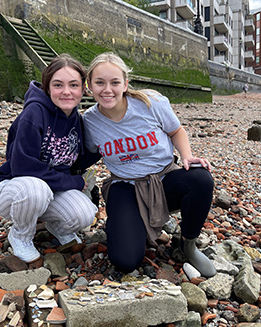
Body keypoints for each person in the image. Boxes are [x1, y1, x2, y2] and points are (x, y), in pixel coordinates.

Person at [82, 52, 216, 277]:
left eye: (115, 82)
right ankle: (134, 225)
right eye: (100, 83)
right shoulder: (89, 120)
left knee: (200, 178)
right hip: (125, 186)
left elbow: (176, 131)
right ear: (89, 86)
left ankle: (188, 244)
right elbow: (87, 155)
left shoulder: (150, 103)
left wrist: (187, 156)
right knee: (125, 261)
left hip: (163, 179)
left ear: (125, 84)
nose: (107, 89)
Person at [0, 54, 98, 263]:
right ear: (48, 88)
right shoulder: (35, 112)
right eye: (58, 85)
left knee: (85, 214)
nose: (66, 92)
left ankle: (55, 226)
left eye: (73, 85)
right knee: (36, 189)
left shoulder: (75, 119)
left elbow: (74, 161)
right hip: (14, 189)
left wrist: (102, 147)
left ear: (83, 89)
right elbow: (23, 166)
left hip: (50, 189)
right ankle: (21, 235)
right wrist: (74, 182)